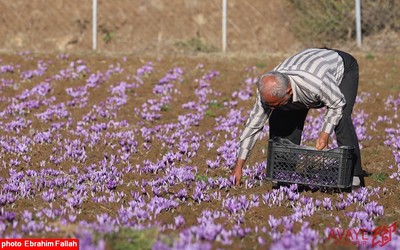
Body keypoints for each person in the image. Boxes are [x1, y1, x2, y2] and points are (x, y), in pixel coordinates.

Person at [230, 48, 365, 188]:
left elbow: (337, 104)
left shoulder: (315, 83)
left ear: (288, 91)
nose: (272, 107)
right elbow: (253, 126)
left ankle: (354, 175)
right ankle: (284, 173)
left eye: (275, 104)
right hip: (305, 72)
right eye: (270, 104)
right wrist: (239, 166)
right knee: (280, 116)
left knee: (341, 119)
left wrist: (324, 135)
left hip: (340, 69)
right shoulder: (268, 91)